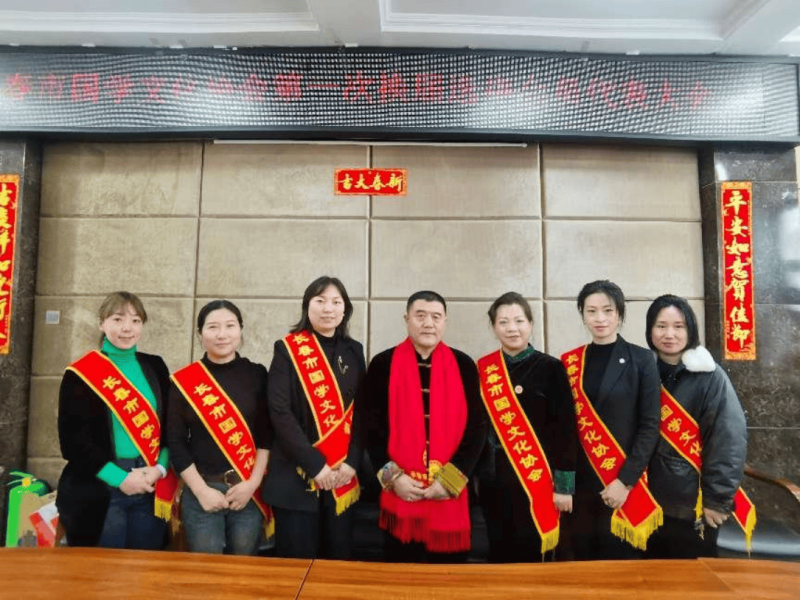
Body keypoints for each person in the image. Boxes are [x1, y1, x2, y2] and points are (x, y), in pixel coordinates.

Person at [361, 290, 488, 563]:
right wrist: (394, 479)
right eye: (420, 316)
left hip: (449, 492)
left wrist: (451, 481)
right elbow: (371, 428)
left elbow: (477, 428)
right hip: (401, 494)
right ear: (406, 319)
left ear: (445, 322)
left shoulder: (464, 365)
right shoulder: (383, 364)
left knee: (448, 577)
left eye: (436, 317)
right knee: (402, 574)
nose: (428, 323)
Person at [56, 291, 174, 549]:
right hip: (101, 487)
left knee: (147, 565)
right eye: (118, 319)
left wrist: (159, 469)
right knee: (104, 568)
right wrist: (120, 479)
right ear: (102, 323)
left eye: (135, 320)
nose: (127, 328)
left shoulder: (155, 366)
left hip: (149, 483)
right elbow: (72, 442)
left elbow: (170, 428)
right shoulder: (81, 374)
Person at [263, 276, 365, 559]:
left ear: (345, 310)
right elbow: (280, 412)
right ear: (307, 306)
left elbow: (362, 411)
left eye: (336, 302)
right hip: (295, 476)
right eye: (320, 301)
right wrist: (316, 466)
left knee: (337, 563)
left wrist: (353, 462)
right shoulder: (286, 349)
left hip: (342, 475)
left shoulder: (354, 351)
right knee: (295, 566)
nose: (328, 308)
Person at [559, 280, 662, 560]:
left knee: (620, 565)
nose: (600, 318)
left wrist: (625, 482)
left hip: (621, 483)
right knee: (580, 563)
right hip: (579, 488)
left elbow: (650, 426)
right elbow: (562, 431)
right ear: (583, 315)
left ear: (619, 314)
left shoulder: (641, 360)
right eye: (591, 311)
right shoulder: (569, 362)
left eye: (607, 310)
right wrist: (563, 486)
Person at [644, 294, 750, 559]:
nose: (669, 334)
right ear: (650, 330)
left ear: (690, 329)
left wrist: (718, 500)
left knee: (691, 578)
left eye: (678, 326)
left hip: (691, 504)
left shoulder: (711, 377)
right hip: (642, 502)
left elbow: (728, 441)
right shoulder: (641, 371)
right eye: (661, 326)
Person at [476, 292, 577, 562]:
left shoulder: (551, 368)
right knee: (499, 556)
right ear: (494, 327)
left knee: (533, 555)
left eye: (519, 321)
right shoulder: (484, 370)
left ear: (530, 324)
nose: (512, 328)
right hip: (494, 483)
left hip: (538, 481)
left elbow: (566, 430)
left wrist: (564, 487)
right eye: (504, 322)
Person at [168, 300, 271, 555]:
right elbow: (176, 441)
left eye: (230, 326)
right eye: (213, 327)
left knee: (243, 570)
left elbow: (266, 435)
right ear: (200, 333)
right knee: (206, 571)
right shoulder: (183, 381)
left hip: (247, 491)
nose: (222, 334)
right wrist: (201, 491)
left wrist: (252, 483)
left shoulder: (257, 374)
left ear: (240, 330)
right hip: (201, 492)